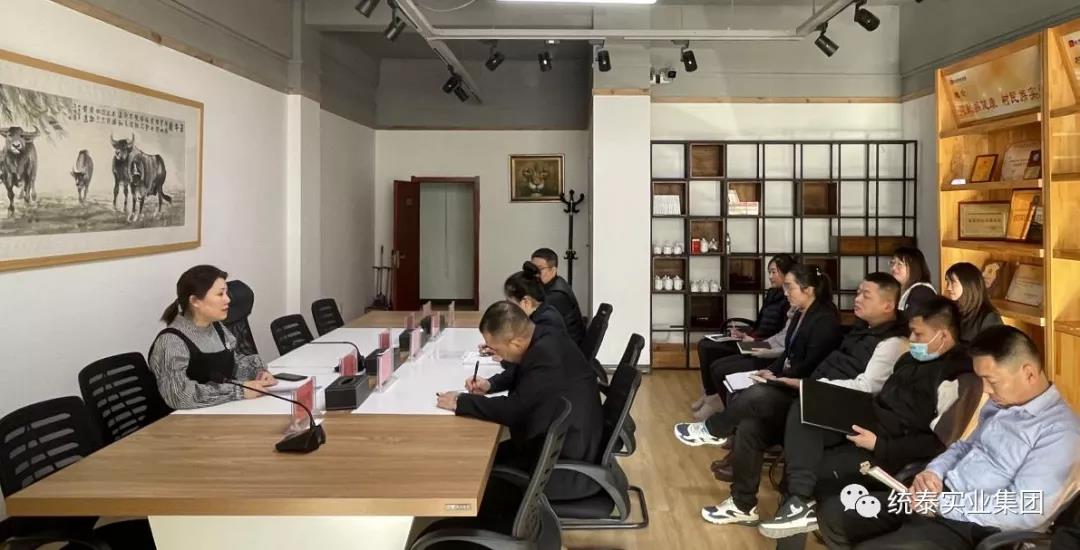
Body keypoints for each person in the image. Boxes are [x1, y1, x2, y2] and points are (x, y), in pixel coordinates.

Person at [817, 326, 1080, 549]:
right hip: (939, 496)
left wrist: (942, 504)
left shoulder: (1061, 433)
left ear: (1029, 373)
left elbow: (1025, 509)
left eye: (991, 380)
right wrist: (934, 472)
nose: (985, 390)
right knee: (836, 514)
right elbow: (964, 447)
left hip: (973, 526)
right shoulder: (1002, 404)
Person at [685, 273, 909, 526]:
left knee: (761, 395)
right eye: (858, 293)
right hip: (817, 397)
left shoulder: (892, 343)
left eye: (865, 295)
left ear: (888, 305)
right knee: (750, 428)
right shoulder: (860, 331)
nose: (857, 299)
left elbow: (866, 387)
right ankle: (742, 504)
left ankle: (714, 429)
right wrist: (792, 380)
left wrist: (806, 385)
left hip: (839, 412)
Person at [757, 297, 972, 539]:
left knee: (804, 474)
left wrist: (879, 445)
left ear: (943, 336)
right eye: (911, 332)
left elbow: (937, 444)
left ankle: (798, 501)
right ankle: (798, 501)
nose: (911, 340)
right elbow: (882, 399)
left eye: (918, 334)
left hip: (886, 449)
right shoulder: (909, 360)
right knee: (804, 409)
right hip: (867, 421)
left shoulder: (956, 378)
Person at [436, 301, 604, 500]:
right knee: (480, 456)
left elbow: (513, 410)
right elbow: (525, 371)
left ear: (516, 343)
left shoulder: (546, 356)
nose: (495, 354)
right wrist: (490, 385)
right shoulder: (546, 336)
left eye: (496, 349)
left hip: (563, 466)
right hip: (565, 443)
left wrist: (461, 402)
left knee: (477, 464)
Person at [674, 263, 842, 448]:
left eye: (790, 287)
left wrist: (778, 377)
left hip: (802, 386)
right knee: (733, 383)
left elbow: (811, 365)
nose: (786, 293)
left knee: (754, 393)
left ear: (808, 290)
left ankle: (712, 430)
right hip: (786, 376)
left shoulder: (824, 320)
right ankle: (726, 435)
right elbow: (788, 352)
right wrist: (769, 371)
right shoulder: (801, 313)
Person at [148, 265, 276, 410]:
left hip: (221, 411)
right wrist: (239, 391)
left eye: (226, 293)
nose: (228, 299)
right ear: (195, 301)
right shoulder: (171, 341)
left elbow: (234, 364)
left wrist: (257, 372)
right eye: (220, 294)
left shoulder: (217, 327)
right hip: (184, 420)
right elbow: (180, 396)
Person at [691, 254, 796, 418]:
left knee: (715, 360)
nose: (770, 276)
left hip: (763, 346)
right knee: (704, 344)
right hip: (755, 340)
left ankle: (716, 400)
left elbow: (782, 335)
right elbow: (760, 324)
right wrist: (745, 334)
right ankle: (710, 394)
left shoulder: (790, 301)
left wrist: (754, 340)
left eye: (773, 272)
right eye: (769, 272)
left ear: (786, 273)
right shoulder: (772, 294)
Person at [530, 247, 587, 349]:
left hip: (567, 350)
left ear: (553, 270)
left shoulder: (556, 295)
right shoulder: (557, 282)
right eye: (533, 269)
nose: (535, 274)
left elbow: (534, 323)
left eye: (540, 269)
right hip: (563, 345)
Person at [943, 262, 1003, 343]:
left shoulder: (989, 318)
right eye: (947, 282)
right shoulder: (951, 309)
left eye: (953, 282)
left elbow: (996, 348)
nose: (948, 287)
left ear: (967, 284)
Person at [503, 262, 566, 333]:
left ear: (526, 302)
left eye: (510, 303)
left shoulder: (542, 326)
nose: (508, 307)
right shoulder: (545, 311)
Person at [891, 247, 936, 312]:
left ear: (914, 267)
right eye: (892, 263)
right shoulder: (899, 290)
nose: (893, 268)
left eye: (899, 264)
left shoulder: (922, 291)